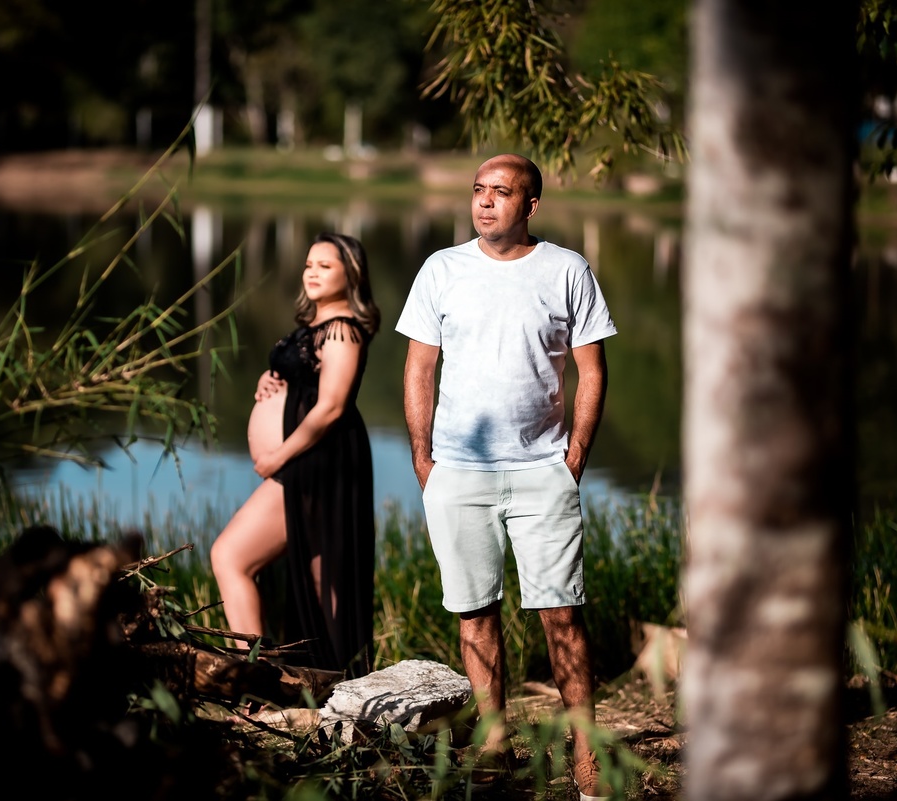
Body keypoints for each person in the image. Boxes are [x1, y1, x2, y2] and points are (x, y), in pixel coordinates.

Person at [395, 154, 616, 799]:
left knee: (563, 617)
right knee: (474, 616)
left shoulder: (567, 269)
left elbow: (592, 371)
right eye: (479, 191)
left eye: (502, 192)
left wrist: (573, 459)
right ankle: (493, 749)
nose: (486, 202)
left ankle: (586, 760)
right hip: (457, 473)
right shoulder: (441, 269)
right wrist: (422, 459)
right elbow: (417, 371)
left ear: (531, 205)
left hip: (543, 470)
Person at [210, 232, 379, 678]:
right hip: (305, 461)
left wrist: (277, 457)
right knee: (318, 574)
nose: (312, 272)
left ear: (351, 274)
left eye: (325, 265)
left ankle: (260, 679)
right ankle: (328, 679)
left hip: (319, 461)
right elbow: (302, 383)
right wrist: (268, 383)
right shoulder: (315, 328)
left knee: (232, 556)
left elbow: (331, 407)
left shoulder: (342, 330)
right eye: (309, 264)